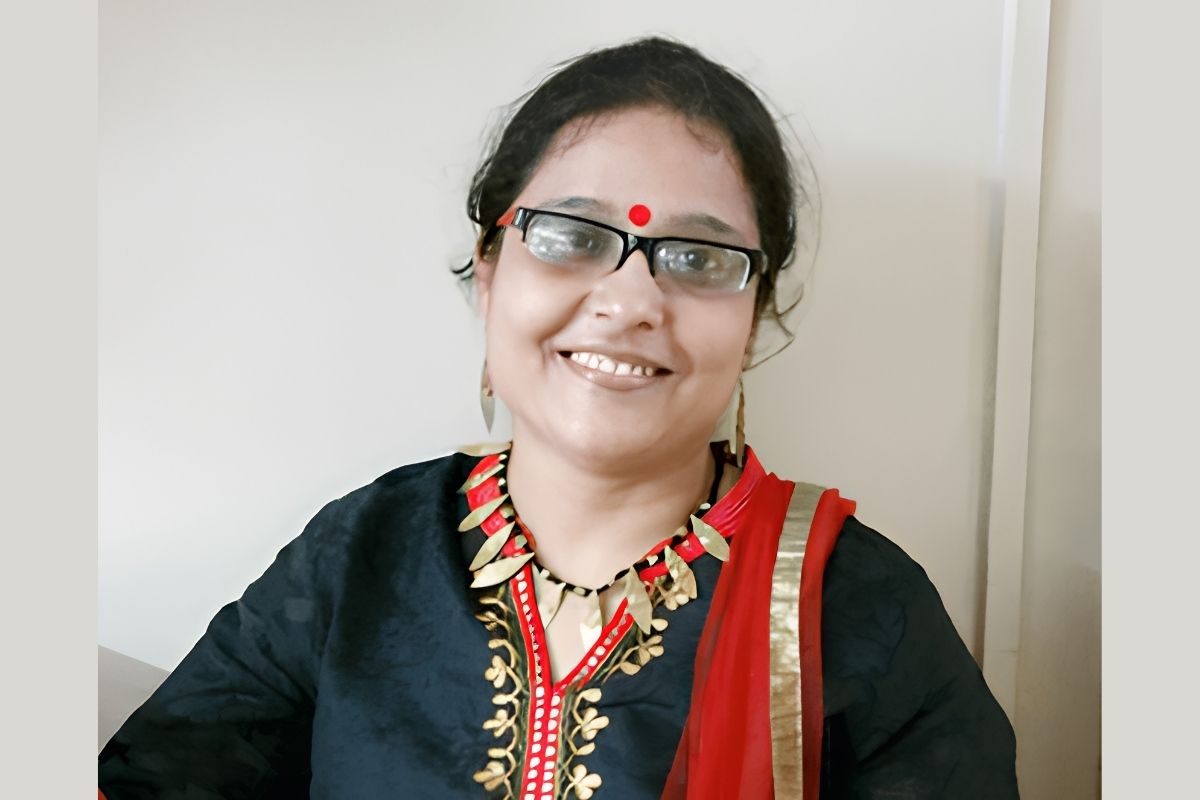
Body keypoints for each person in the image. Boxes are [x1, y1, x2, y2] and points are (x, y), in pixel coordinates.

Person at [98, 37, 1018, 799]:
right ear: (489, 269)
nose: (630, 300)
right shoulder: (362, 556)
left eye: (698, 257)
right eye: (572, 237)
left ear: (754, 317)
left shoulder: (856, 608)